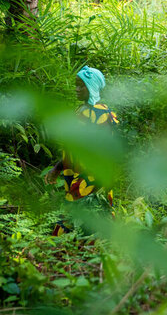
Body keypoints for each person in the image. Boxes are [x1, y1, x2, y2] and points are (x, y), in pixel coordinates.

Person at [45, 66, 119, 235]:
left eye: (81, 85)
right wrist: (58, 168)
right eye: (76, 85)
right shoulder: (90, 111)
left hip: (88, 176)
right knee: (84, 213)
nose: (77, 89)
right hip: (81, 174)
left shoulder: (95, 113)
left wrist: (58, 168)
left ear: (92, 86)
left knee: (85, 212)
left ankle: (75, 251)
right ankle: (79, 250)